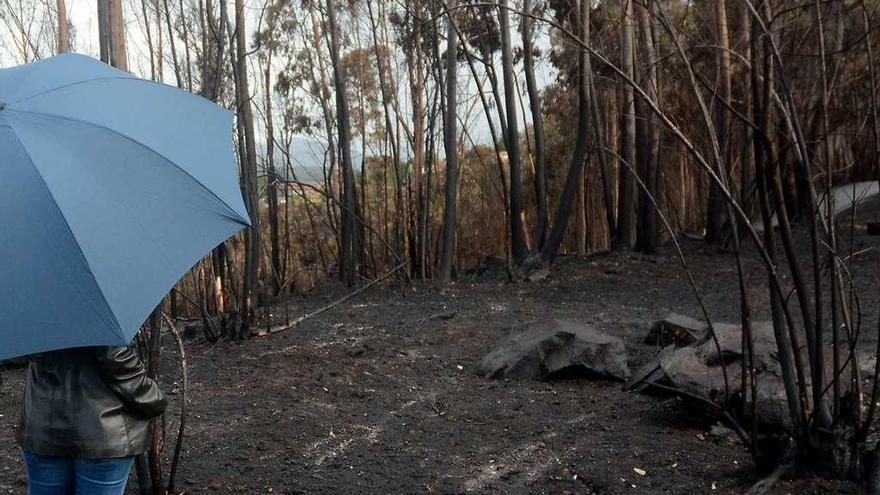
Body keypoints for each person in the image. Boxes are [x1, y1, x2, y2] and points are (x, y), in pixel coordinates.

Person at [17, 346, 167, 495]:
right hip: (102, 432)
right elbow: (115, 358)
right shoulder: (102, 323)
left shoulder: (29, 323)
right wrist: (153, 398)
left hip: (42, 424)